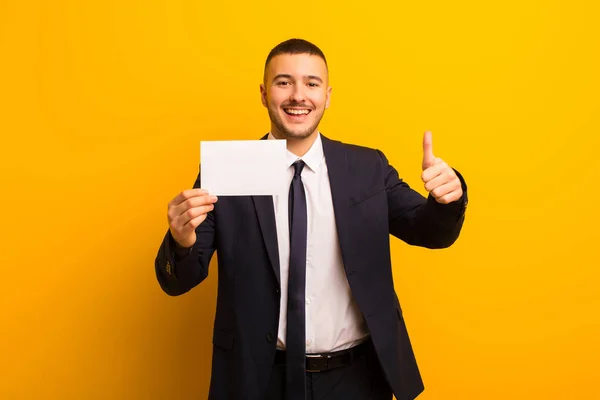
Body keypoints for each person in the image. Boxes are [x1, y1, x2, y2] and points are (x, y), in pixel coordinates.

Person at [155, 38, 468, 400]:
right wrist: (181, 242)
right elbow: (179, 280)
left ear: (328, 95)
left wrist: (448, 199)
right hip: (257, 379)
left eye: (312, 83)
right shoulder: (228, 171)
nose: (298, 95)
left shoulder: (367, 168)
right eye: (283, 82)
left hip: (355, 379)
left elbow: (429, 231)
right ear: (263, 92)